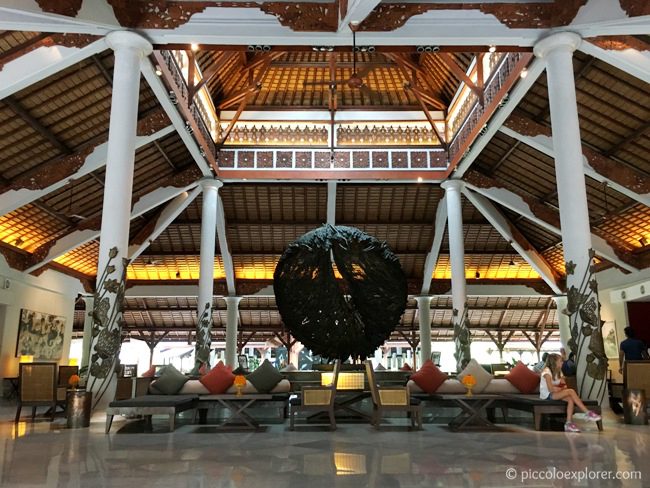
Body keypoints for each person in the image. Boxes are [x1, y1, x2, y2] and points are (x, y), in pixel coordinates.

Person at [540, 353, 601, 432]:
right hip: (547, 395)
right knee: (571, 391)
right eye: (560, 361)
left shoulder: (559, 371)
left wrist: (559, 388)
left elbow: (564, 386)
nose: (562, 363)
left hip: (555, 393)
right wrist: (559, 388)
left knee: (570, 399)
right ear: (554, 362)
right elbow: (551, 389)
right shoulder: (547, 372)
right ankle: (587, 413)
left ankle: (568, 423)